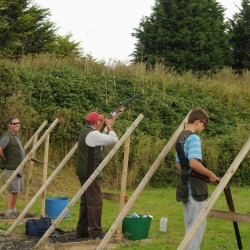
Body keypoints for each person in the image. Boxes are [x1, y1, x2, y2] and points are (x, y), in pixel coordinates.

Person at [76, 108, 125, 240]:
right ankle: (95, 233)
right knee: (95, 203)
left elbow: (101, 131)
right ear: (96, 123)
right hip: (90, 172)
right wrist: (109, 126)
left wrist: (116, 115)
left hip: (85, 171)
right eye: (100, 120)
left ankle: (82, 231)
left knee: (86, 202)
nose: (101, 121)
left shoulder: (87, 131)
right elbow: (114, 139)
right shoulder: (93, 135)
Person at [175, 108, 220, 250]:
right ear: (197, 121)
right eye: (204, 124)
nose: (203, 127)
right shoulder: (194, 138)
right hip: (195, 189)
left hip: (184, 187)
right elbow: (193, 163)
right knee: (197, 228)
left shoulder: (180, 137)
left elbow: (179, 165)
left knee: (190, 227)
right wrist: (210, 175)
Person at [0, 117, 25, 219]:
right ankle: (8, 212)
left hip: (19, 167)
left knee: (16, 189)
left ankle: (14, 210)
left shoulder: (16, 136)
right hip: (12, 167)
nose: (17, 125)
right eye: (14, 123)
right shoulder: (7, 136)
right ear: (9, 125)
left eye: (18, 123)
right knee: (11, 190)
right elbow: (0, 148)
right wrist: (5, 158)